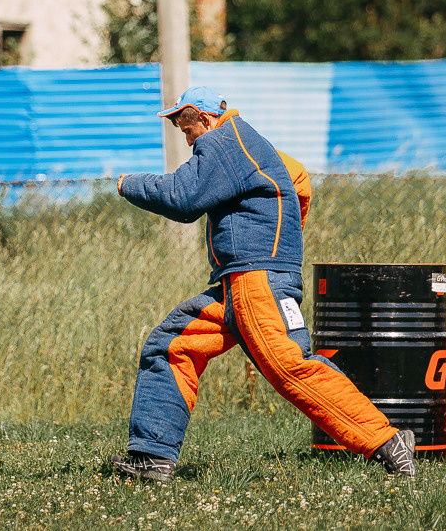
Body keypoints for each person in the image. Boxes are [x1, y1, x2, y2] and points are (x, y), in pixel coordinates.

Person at [110, 86, 416, 482]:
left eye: (185, 128)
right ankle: (150, 459)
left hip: (255, 282)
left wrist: (127, 183)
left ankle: (387, 443)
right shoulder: (252, 143)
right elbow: (299, 178)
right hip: (240, 282)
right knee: (170, 345)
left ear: (202, 117)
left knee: (290, 367)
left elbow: (182, 198)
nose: (186, 140)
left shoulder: (222, 142)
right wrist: (283, 243)